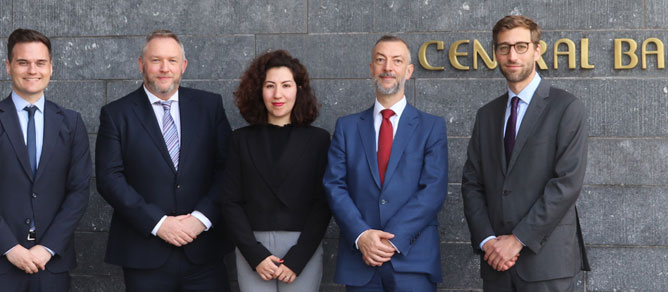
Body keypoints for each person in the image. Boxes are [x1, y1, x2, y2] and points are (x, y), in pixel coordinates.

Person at [95, 29, 232, 291]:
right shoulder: (116, 114)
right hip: (144, 253)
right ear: (141, 64)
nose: (164, 68)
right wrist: (158, 224)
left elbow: (227, 170)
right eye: (156, 60)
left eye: (171, 60)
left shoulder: (209, 106)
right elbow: (109, 178)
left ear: (183, 66)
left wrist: (201, 219)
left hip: (203, 251)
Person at [461, 15, 590, 292]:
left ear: (536, 50)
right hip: (496, 263)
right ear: (495, 53)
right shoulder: (487, 115)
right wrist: (487, 241)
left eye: (521, 46)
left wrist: (517, 239)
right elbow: (472, 184)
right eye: (504, 47)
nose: (512, 55)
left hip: (546, 263)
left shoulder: (566, 108)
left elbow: (566, 184)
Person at [0, 28, 91, 292]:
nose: (32, 70)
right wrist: (10, 247)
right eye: (23, 62)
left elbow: (78, 191)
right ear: (8, 67)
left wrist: (47, 247)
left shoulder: (71, 122)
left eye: (40, 63)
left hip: (51, 265)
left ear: (51, 68)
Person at [323, 35, 448, 291]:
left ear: (409, 71)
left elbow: (433, 190)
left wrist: (393, 240)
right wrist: (362, 235)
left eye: (397, 61)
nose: (388, 67)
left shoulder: (431, 127)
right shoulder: (346, 127)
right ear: (371, 69)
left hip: (412, 259)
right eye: (380, 60)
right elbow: (334, 186)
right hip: (361, 259)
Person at [221, 50, 331, 291]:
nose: (278, 94)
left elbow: (323, 203)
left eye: (286, 85)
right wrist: (255, 254)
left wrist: (298, 257)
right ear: (259, 90)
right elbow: (230, 201)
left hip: (303, 248)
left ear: (299, 90)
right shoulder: (240, 140)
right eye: (270, 85)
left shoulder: (319, 140)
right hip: (253, 247)